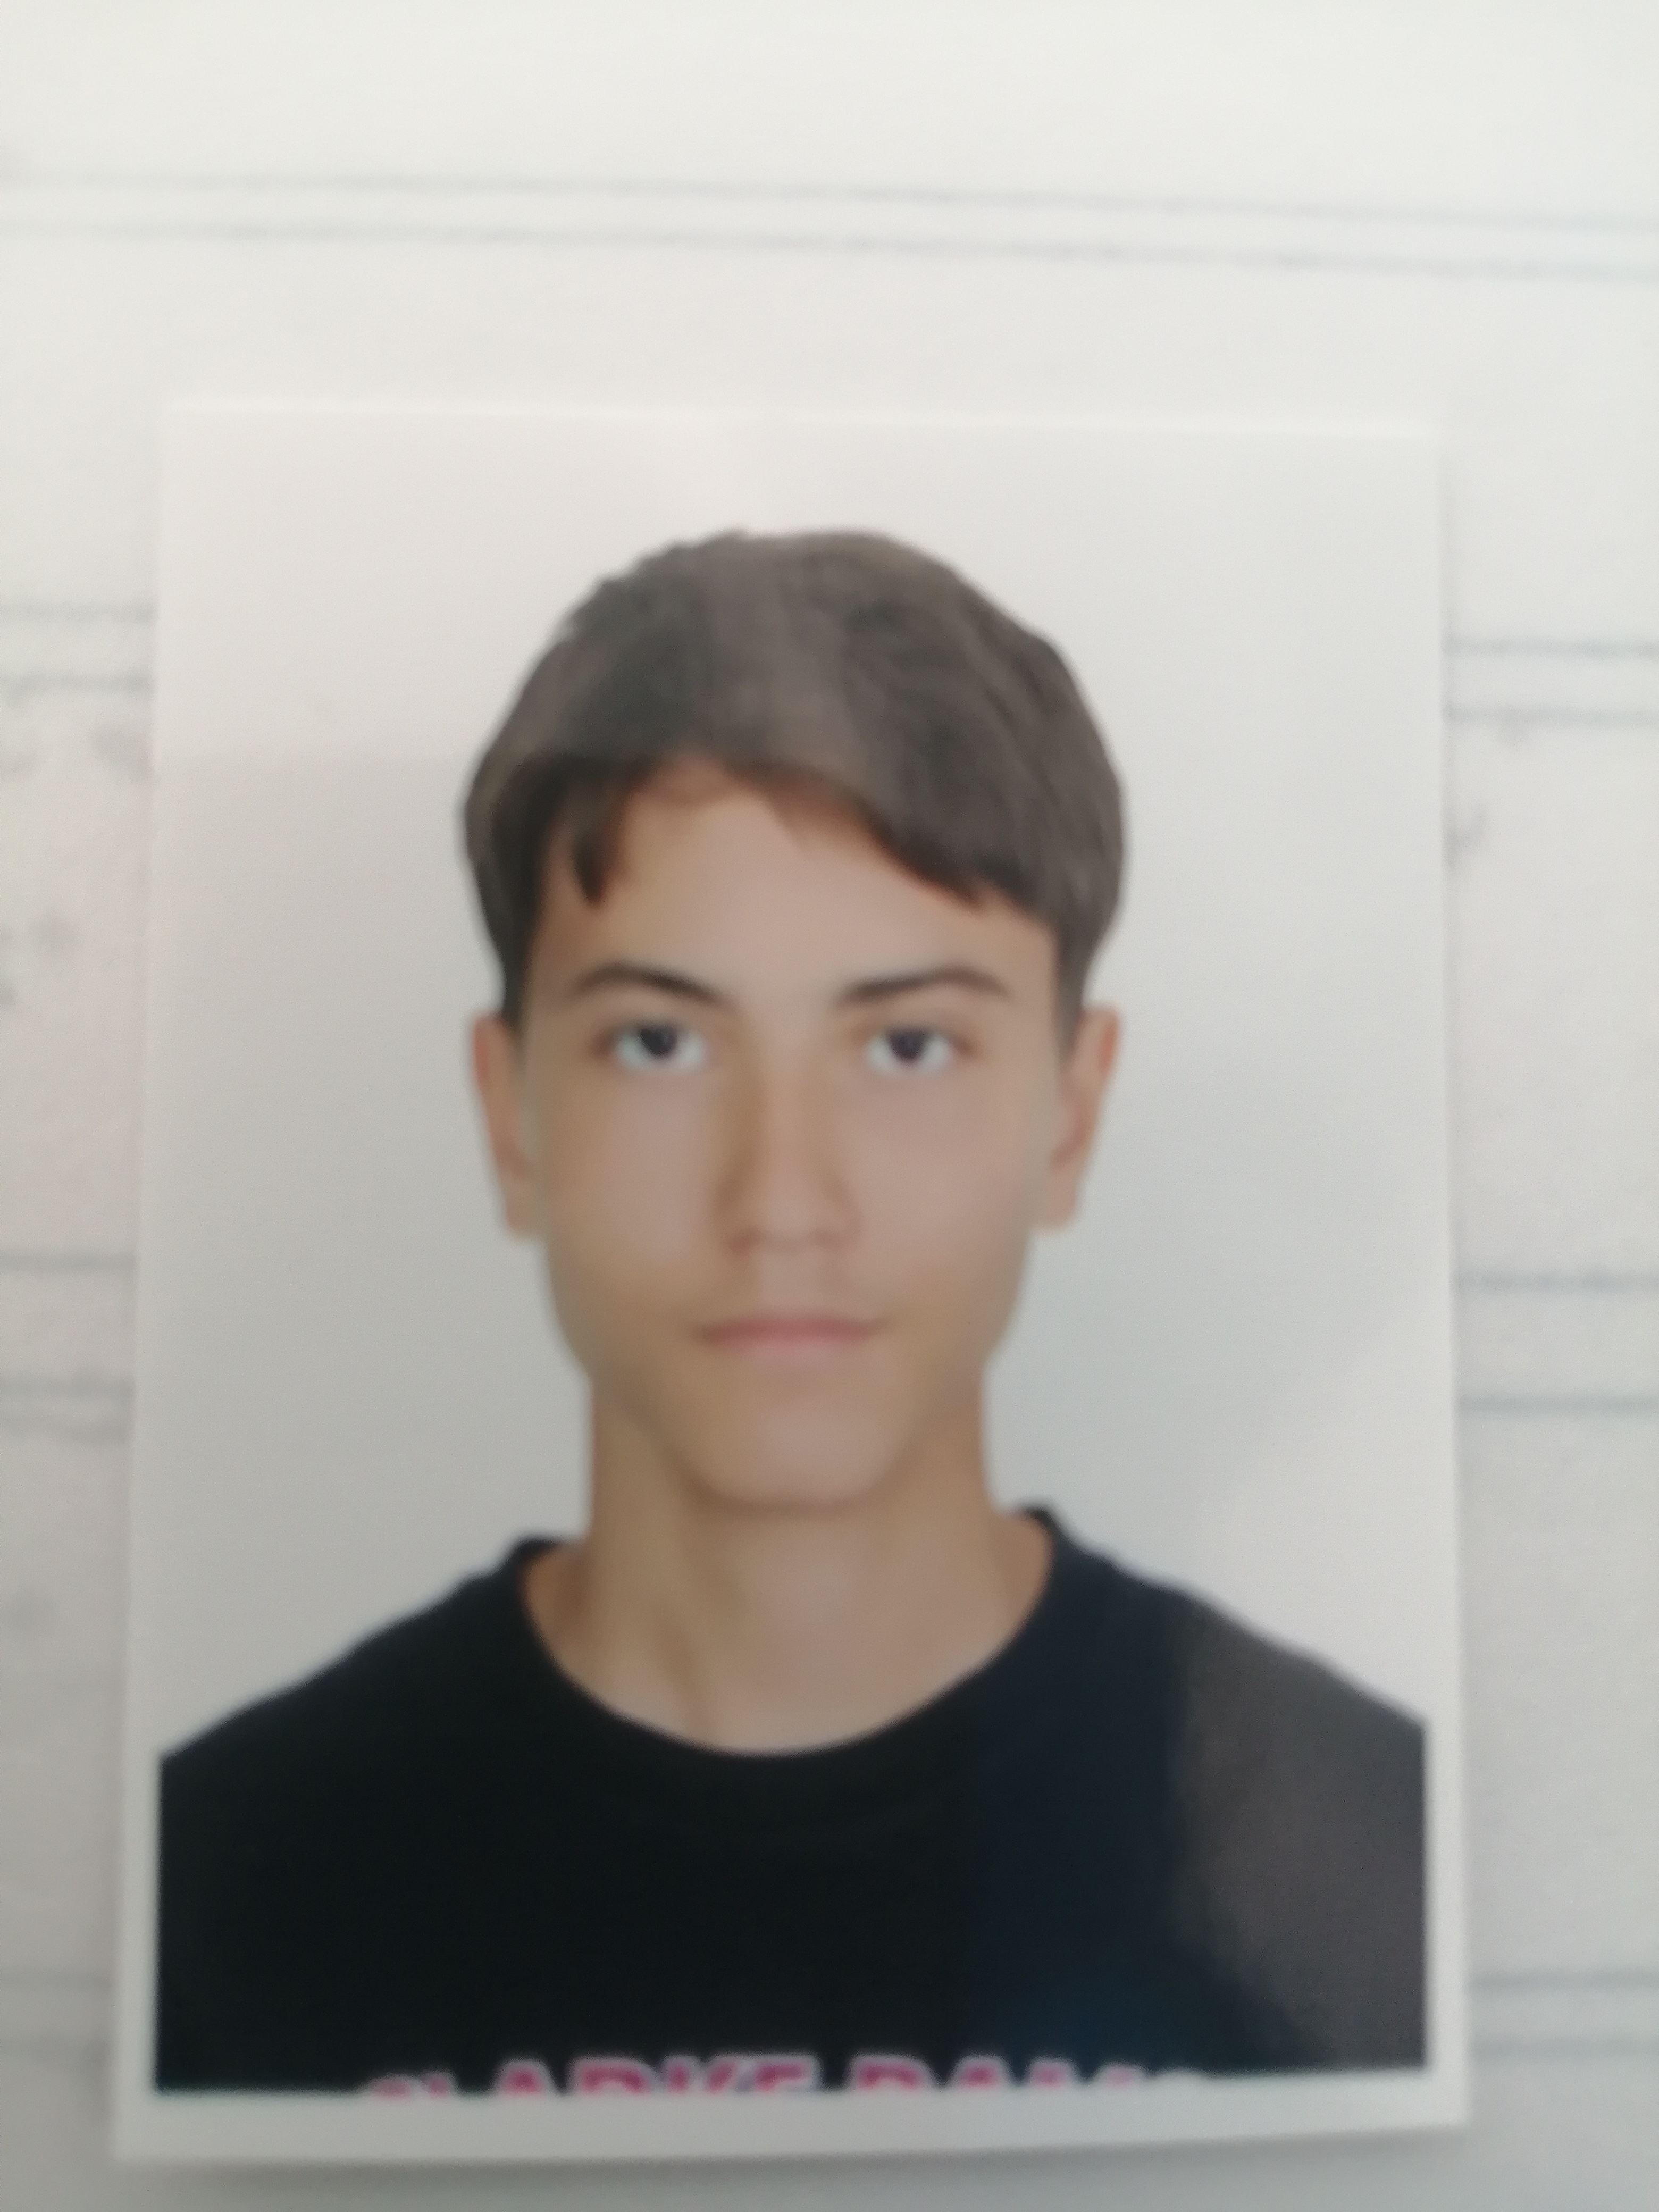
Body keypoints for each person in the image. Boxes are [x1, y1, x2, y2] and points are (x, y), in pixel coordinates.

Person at [155, 531, 1425, 2098]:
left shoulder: (1377, 1853)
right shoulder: (217, 1886)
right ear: (508, 1115)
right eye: (661, 1043)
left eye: (906, 1046)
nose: (780, 1200)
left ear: (1073, 1115)